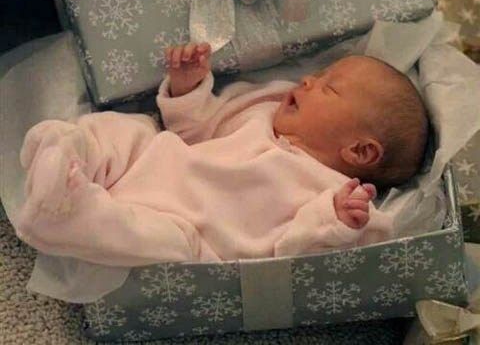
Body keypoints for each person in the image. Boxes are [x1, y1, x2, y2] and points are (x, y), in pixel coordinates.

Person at [14, 42, 428, 266]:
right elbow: (195, 130)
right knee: (131, 131)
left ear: (359, 150)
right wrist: (189, 87)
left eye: (328, 87)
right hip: (158, 163)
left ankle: (69, 213)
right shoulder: (262, 110)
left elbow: (297, 255)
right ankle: (70, 152)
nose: (306, 80)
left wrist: (338, 224)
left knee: (156, 244)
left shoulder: (337, 196)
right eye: (318, 74)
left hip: (190, 230)